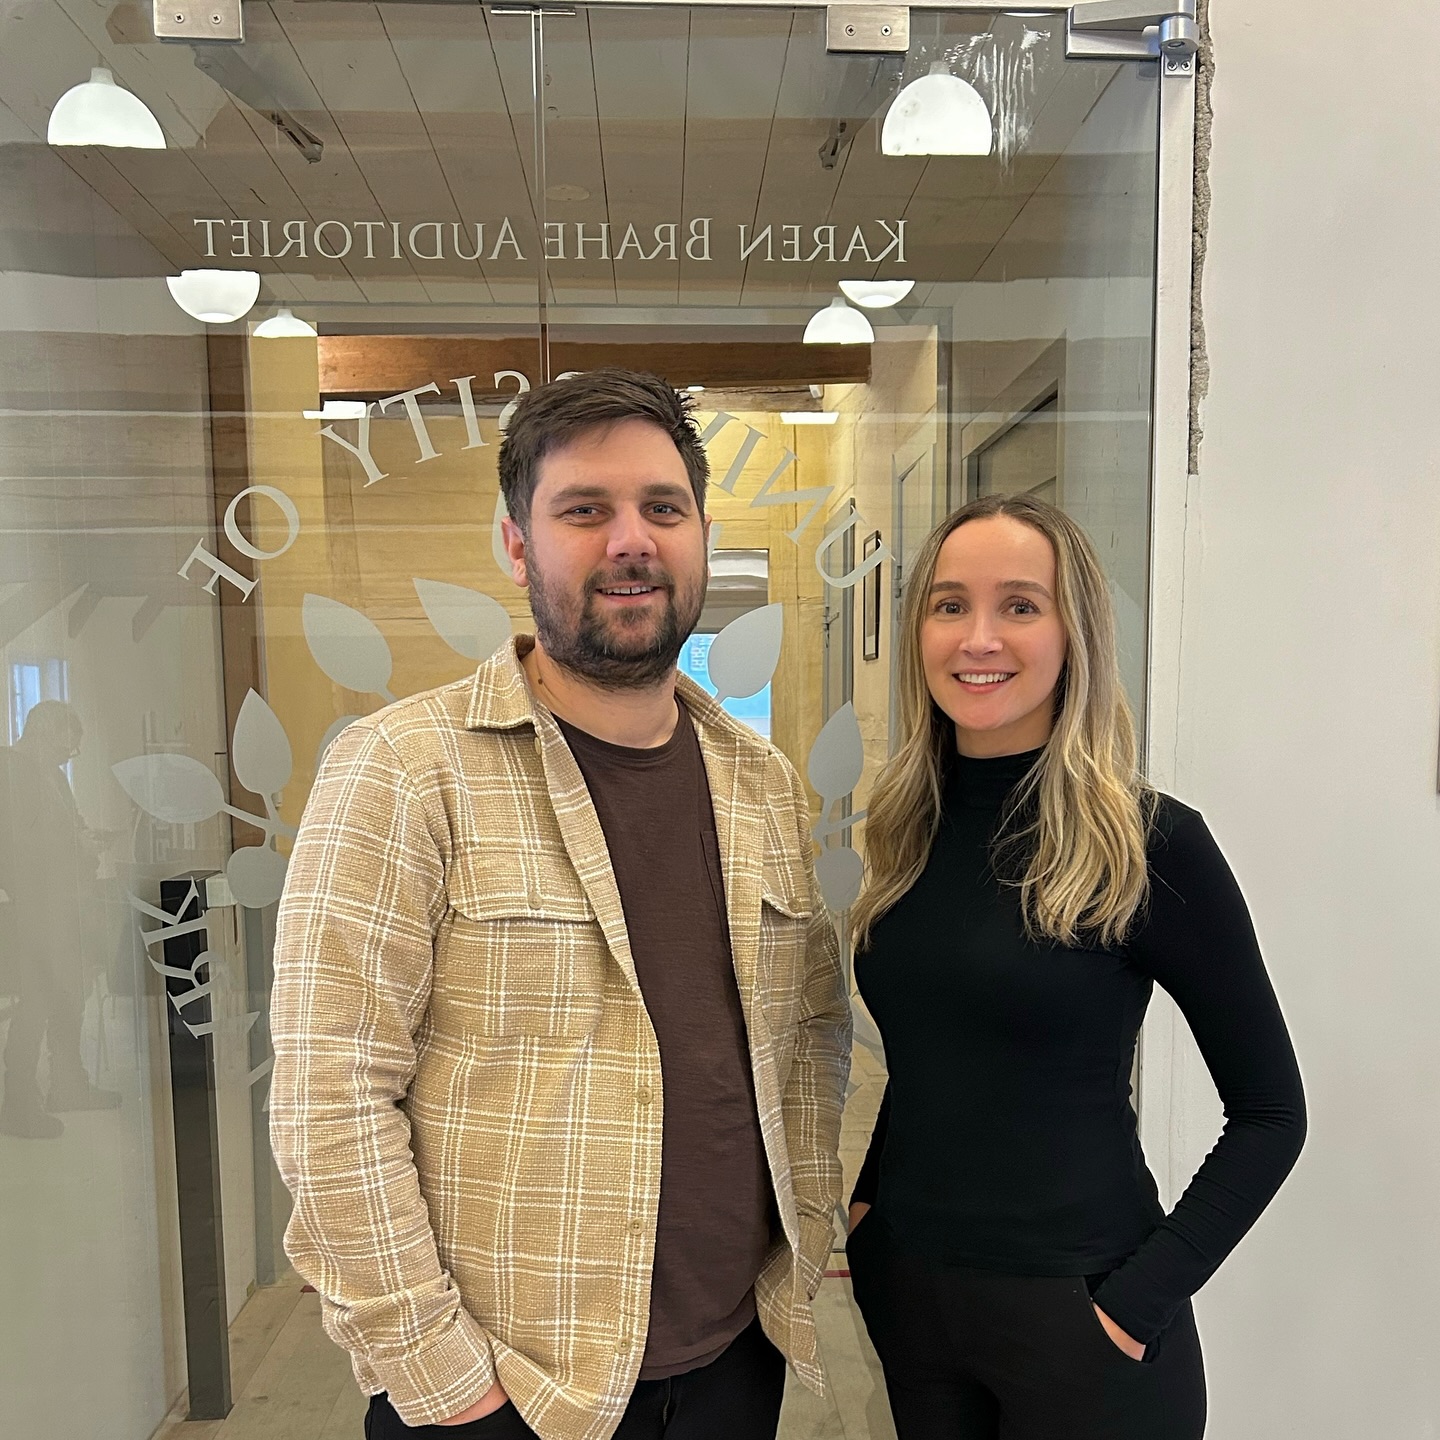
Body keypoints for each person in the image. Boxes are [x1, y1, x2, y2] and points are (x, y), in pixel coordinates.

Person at [269, 369, 851, 1440]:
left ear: (701, 537)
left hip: (735, 1363)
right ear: (515, 544)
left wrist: (803, 1243)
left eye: (662, 507)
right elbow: (331, 1101)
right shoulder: (404, 771)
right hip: (509, 1392)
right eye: (584, 510)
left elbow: (806, 1034)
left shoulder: (760, 781)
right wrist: (446, 1385)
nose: (631, 540)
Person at [844, 494, 1306, 1440]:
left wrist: (1137, 1304)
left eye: (1020, 605)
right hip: (915, 1306)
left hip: (1083, 1326)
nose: (979, 638)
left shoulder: (1148, 841)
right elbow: (936, 1052)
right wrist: (869, 1210)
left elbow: (1271, 1115)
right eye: (949, 605)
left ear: (1074, 633)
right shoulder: (909, 829)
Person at [0, 700, 117, 1139]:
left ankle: (69, 1086)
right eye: (68, 746)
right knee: (38, 1000)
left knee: (69, 993)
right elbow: (19, 846)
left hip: (64, 903)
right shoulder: (11, 772)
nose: (71, 756)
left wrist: (86, 839)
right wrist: (76, 845)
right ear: (45, 733)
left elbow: (68, 824)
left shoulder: (52, 775)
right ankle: (19, 1104)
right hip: (35, 907)